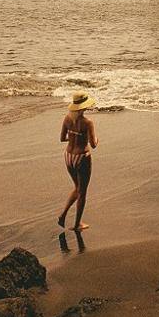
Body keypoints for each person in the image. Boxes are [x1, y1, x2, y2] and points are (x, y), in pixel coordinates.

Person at [58, 91, 98, 231]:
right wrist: (92, 138)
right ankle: (77, 224)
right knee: (82, 192)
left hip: (68, 156)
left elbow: (62, 138)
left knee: (77, 187)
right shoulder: (88, 123)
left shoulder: (67, 119)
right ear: (84, 106)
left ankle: (63, 215)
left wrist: (74, 136)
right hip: (82, 157)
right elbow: (93, 144)